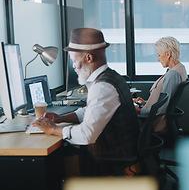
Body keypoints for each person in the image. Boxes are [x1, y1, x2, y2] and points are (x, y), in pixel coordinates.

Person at [32, 28, 140, 176]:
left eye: (74, 61)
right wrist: (62, 118)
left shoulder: (102, 87)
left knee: (51, 162)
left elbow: (87, 135)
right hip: (120, 150)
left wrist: (53, 129)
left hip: (110, 159)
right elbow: (92, 111)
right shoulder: (111, 77)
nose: (74, 66)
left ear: (89, 58)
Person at [133, 36, 188, 134]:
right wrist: (145, 103)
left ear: (168, 54)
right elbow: (163, 100)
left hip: (154, 122)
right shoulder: (179, 69)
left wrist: (140, 111)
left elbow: (162, 107)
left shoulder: (173, 74)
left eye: (159, 55)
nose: (158, 59)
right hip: (153, 115)